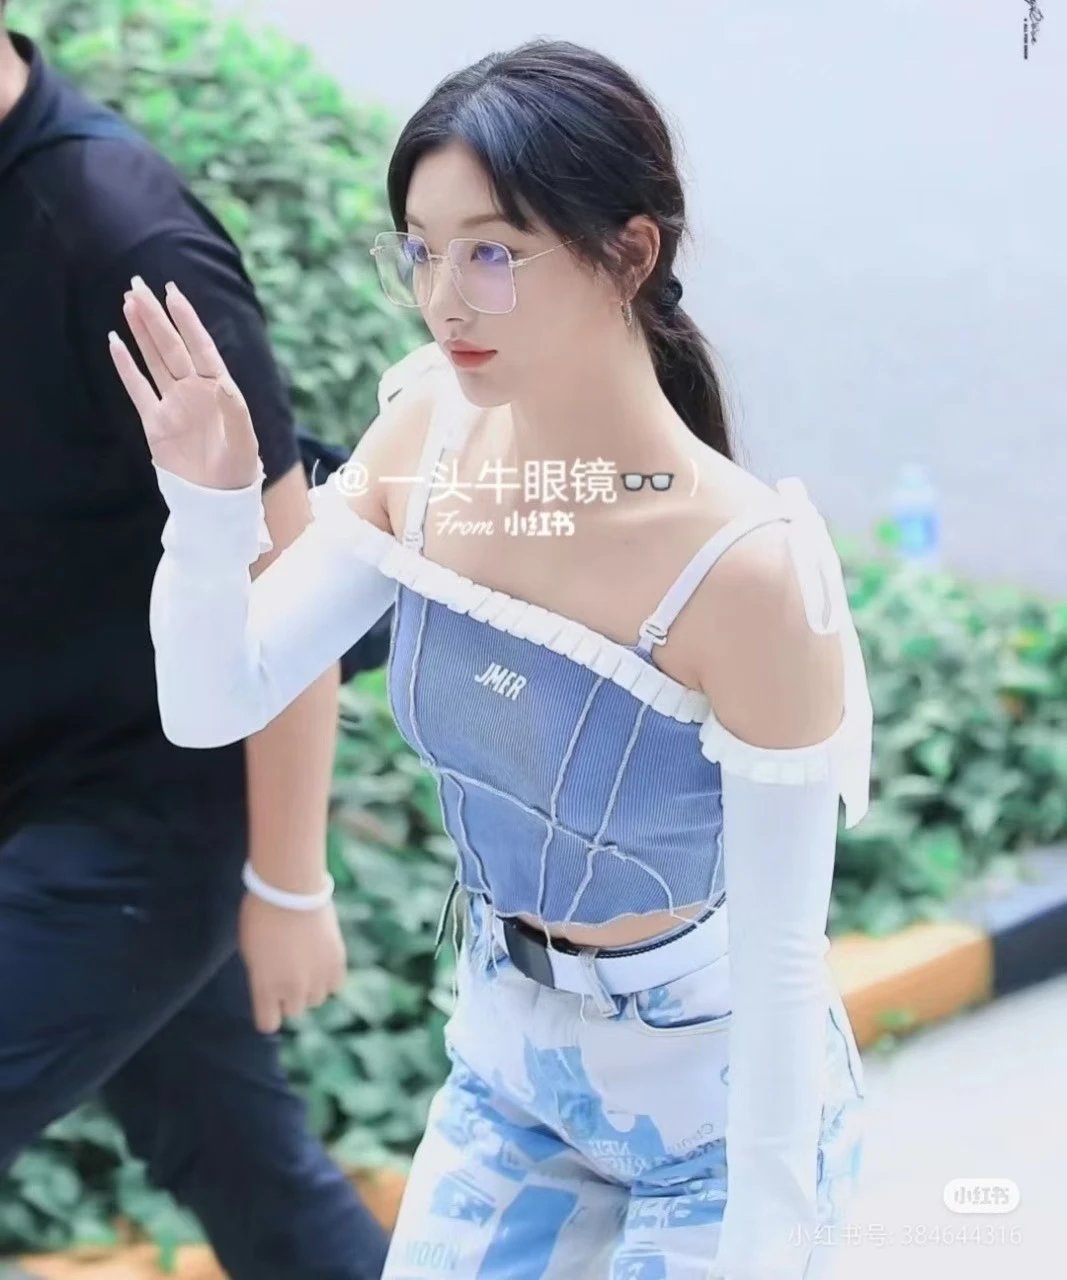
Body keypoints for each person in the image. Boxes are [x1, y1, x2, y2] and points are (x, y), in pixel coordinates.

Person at [112, 38, 874, 1280]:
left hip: (716, 1113)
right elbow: (214, 699)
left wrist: (766, 1237)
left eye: (492, 252)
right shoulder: (427, 439)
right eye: (421, 248)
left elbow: (785, 961)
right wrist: (208, 510)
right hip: (509, 1070)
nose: (443, 299)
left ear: (629, 252)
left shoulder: (746, 570)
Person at [0, 10, 390, 1277]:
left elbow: (288, 574)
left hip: (148, 816)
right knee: (249, 1172)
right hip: (41, 779)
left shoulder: (117, 232)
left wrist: (289, 882)